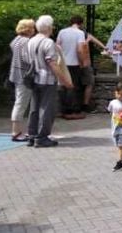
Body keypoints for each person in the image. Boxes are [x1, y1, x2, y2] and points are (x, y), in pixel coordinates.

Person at [27, 15, 73, 148]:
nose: (53, 28)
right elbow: (52, 64)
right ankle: (42, 137)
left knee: (34, 107)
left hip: (34, 78)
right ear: (48, 27)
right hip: (47, 79)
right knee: (47, 108)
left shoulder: (31, 41)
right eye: (52, 25)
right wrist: (64, 80)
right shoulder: (48, 43)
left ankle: (32, 135)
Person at [8, 19, 36, 141]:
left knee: (19, 102)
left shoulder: (16, 40)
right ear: (29, 29)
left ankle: (17, 131)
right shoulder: (26, 42)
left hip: (15, 74)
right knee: (21, 103)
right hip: (24, 76)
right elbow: (27, 59)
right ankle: (16, 132)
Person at [56, 16, 88, 119]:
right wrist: (82, 62)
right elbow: (79, 50)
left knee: (62, 87)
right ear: (81, 23)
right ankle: (72, 111)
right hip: (74, 63)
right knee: (73, 87)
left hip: (62, 63)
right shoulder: (80, 33)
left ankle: (63, 109)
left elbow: (57, 46)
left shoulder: (62, 31)